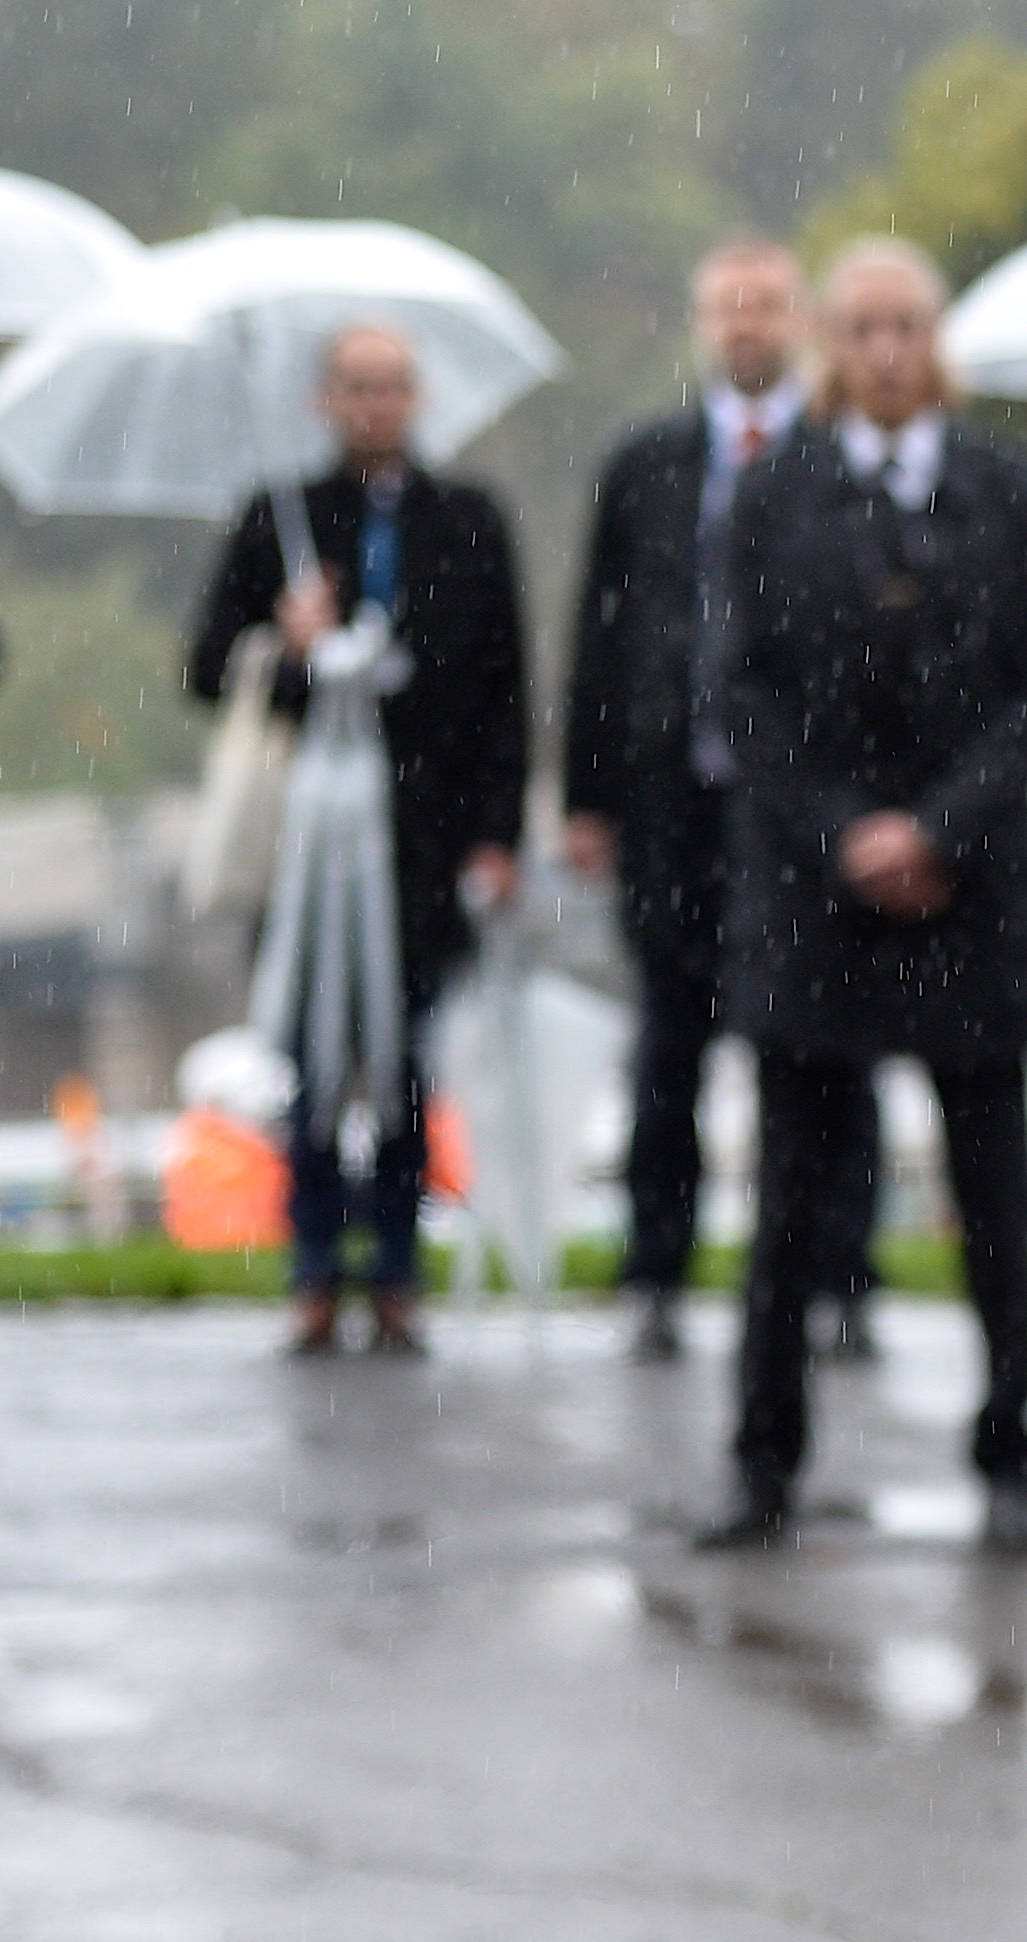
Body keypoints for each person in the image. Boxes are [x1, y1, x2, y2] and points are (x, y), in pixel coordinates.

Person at [697, 241, 1027, 1557]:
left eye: (905, 326)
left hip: (970, 897)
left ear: (938, 339)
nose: (883, 351)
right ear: (825, 343)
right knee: (791, 1209)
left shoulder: (1012, 494)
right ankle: (763, 1465)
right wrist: (847, 829)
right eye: (859, 328)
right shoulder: (770, 498)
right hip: (816, 901)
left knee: (993, 1196)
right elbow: (737, 693)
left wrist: (942, 827)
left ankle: (1013, 1456)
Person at [184, 322, 528, 1360]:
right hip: (309, 845)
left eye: (392, 386)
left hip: (422, 837)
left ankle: (396, 1268)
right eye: (356, 387)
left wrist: (497, 834)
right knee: (312, 1063)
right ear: (324, 400)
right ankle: (314, 1264)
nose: (375, 406)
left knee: (408, 1055)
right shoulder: (281, 522)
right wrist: (292, 649)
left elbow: (504, 688)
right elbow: (209, 670)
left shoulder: (466, 519)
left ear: (416, 397)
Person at [564, 239, 879, 1366]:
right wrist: (586, 795)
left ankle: (840, 1275)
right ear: (703, 323)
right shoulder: (646, 464)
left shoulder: (840, 457)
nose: (746, 324)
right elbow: (598, 639)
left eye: (766, 305)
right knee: (670, 1049)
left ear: (798, 320)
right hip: (672, 803)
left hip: (805, 805)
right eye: (727, 307)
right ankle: (657, 1271)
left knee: (828, 1042)